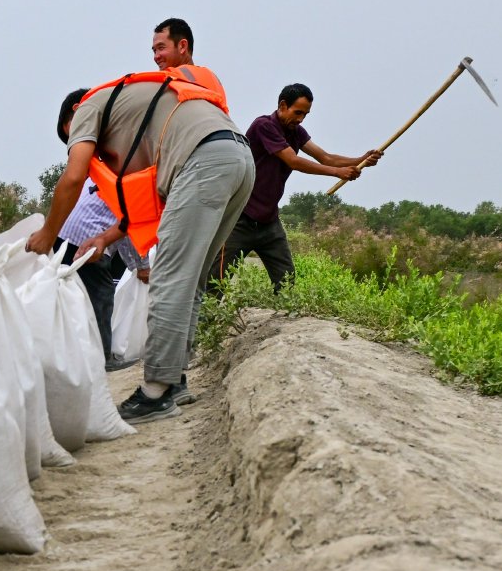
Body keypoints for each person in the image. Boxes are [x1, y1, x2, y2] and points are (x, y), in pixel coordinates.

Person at [26, 61, 254, 424]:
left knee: (169, 278)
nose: (87, 150)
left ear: (74, 114)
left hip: (206, 161)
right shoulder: (138, 120)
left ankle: (155, 393)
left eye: (73, 139)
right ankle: (175, 380)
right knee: (190, 280)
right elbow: (139, 212)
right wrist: (104, 237)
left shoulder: (88, 107)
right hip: (238, 158)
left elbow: (72, 177)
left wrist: (48, 233)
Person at [220, 83, 381, 290]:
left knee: (286, 283)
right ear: (282, 106)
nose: (300, 119)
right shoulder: (264, 126)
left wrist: (361, 160)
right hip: (240, 219)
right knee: (216, 281)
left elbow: (326, 157)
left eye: (305, 114)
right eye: (297, 112)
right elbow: (293, 161)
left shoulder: (296, 132)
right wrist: (338, 173)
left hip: (269, 223)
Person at [50, 92, 146, 366]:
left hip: (65, 236)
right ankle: (104, 358)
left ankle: (71, 355)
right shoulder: (118, 161)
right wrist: (140, 265)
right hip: (86, 242)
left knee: (70, 298)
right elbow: (128, 221)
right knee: (100, 296)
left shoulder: (100, 161)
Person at [150, 17, 229, 112]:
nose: (156, 56)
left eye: (161, 48)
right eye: (155, 51)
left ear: (182, 46)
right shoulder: (211, 78)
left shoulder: (174, 78)